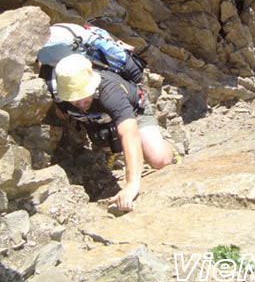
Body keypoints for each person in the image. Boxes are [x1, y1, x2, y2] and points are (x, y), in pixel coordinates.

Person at [53, 53, 175, 212]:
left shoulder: (111, 92)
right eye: (75, 100)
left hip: (134, 112)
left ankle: (166, 147)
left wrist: (132, 185)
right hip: (100, 121)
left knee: (159, 160)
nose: (81, 103)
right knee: (104, 141)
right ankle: (113, 148)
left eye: (85, 96)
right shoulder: (59, 94)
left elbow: (129, 134)